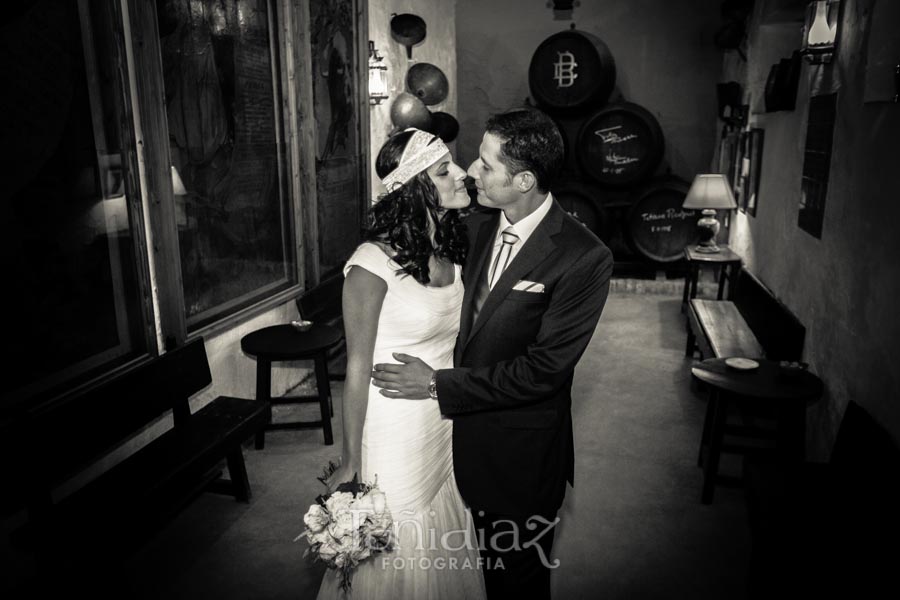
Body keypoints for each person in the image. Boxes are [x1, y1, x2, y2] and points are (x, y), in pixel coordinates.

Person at [371, 108, 614, 599]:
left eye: (485, 165)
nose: (470, 172)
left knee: (515, 582)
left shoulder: (583, 256)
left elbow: (543, 371)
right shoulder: (476, 224)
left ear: (524, 180)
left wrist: (438, 384)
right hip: (448, 446)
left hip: (518, 457)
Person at [317, 128, 486, 599]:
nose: (460, 175)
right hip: (392, 423)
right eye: (443, 170)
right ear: (415, 187)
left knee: (439, 522)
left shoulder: (449, 246)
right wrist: (351, 460)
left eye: (452, 165)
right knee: (401, 538)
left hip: (439, 415)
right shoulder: (371, 265)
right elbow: (355, 369)